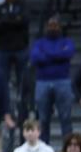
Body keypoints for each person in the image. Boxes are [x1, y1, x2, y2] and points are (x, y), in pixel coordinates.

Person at [31, 15, 76, 144]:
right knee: (43, 119)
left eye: (55, 25)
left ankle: (68, 148)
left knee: (65, 117)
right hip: (42, 82)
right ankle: (44, 149)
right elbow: (35, 58)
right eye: (50, 25)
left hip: (63, 82)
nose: (52, 28)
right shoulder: (39, 42)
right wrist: (58, 55)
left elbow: (68, 54)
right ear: (46, 27)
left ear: (60, 27)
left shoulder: (67, 41)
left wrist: (47, 54)